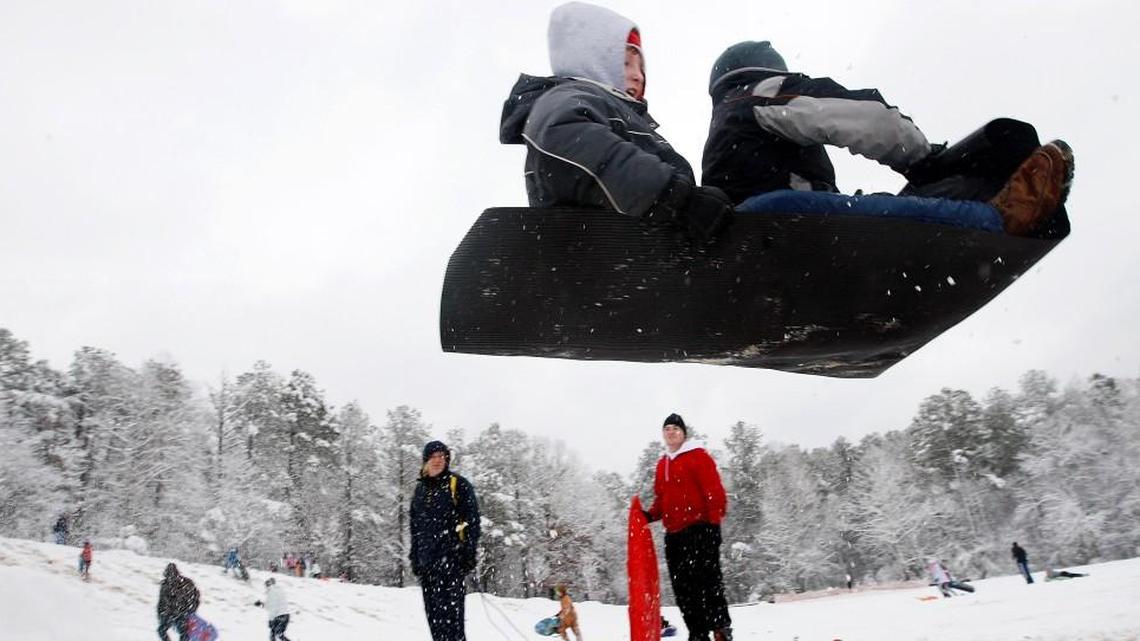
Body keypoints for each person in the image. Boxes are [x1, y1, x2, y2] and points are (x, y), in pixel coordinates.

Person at [701, 40, 1075, 237]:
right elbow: (859, 117)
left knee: (879, 205)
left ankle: (984, 197)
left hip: (746, 236)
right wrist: (921, 158)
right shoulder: (759, 95)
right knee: (890, 218)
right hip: (786, 225)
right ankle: (998, 215)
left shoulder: (725, 121)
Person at [500, 1, 734, 241]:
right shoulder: (568, 97)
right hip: (601, 261)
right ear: (589, 58)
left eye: (640, 66)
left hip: (637, 263)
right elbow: (563, 136)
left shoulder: (620, 114)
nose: (638, 75)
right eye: (625, 62)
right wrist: (677, 198)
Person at [644, 414, 731, 641]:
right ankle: (698, 632)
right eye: (667, 429)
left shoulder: (698, 456)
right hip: (674, 534)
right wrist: (649, 515)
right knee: (683, 588)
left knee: (708, 580)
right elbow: (661, 498)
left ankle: (720, 628)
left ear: (684, 433)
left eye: (675, 428)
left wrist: (713, 525)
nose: (671, 432)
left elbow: (714, 491)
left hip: (700, 528)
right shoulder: (663, 463)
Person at [410, 440, 481, 641]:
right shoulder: (420, 491)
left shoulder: (458, 485)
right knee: (435, 621)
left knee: (452, 622)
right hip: (428, 566)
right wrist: (415, 558)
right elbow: (415, 528)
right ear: (426, 461)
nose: (438, 460)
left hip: (451, 562)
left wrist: (468, 552)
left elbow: (472, 521)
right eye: (433, 456)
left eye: (442, 456)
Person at [157, 562, 200, 641]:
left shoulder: (168, 585)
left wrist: (191, 610)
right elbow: (196, 596)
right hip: (177, 613)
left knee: (164, 630)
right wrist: (191, 609)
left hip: (177, 613)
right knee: (183, 632)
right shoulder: (186, 582)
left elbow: (161, 602)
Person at [255, 577, 291, 641]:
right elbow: (271, 605)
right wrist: (261, 604)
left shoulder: (272, 592)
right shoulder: (279, 590)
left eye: (266, 585)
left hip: (279, 616)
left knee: (275, 634)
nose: (265, 587)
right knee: (277, 634)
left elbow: (272, 607)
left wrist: (271, 620)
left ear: (269, 585)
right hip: (285, 615)